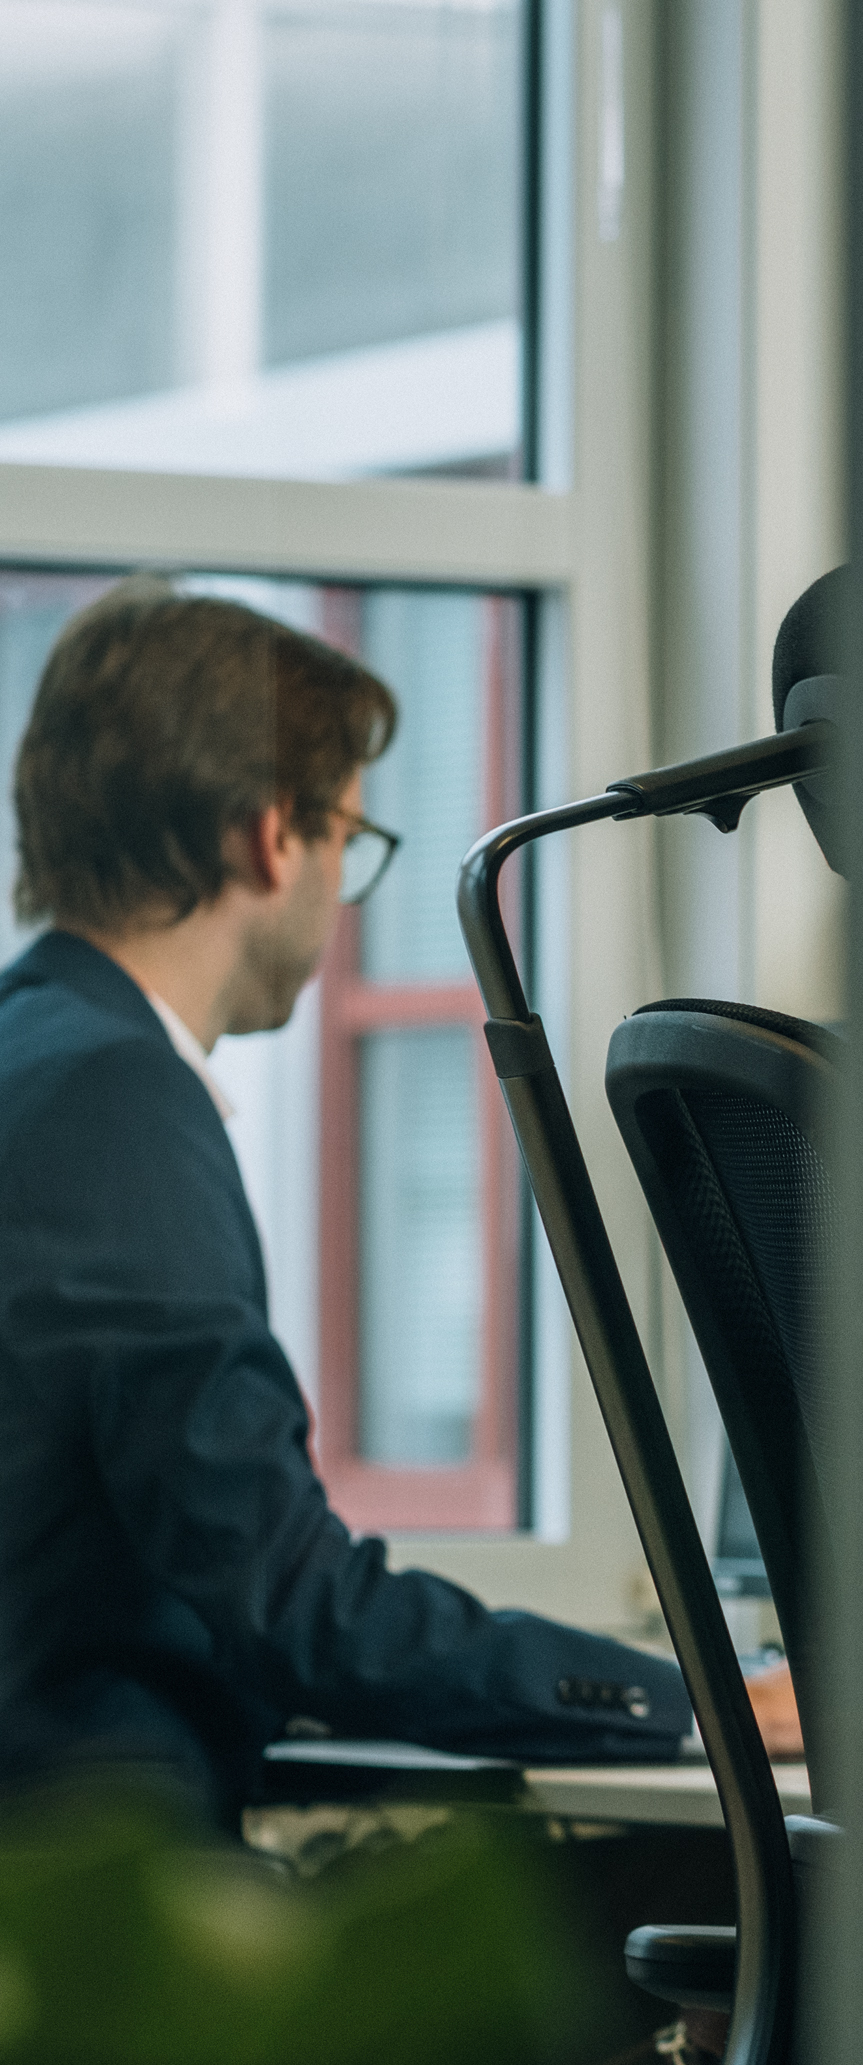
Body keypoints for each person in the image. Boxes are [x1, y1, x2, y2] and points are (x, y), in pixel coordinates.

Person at [0, 578, 697, 1825]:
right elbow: (281, 1592)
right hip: (76, 1910)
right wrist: (684, 1697)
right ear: (272, 836)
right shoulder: (116, 1102)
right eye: (350, 845)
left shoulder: (31, 1059)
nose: (338, 899)